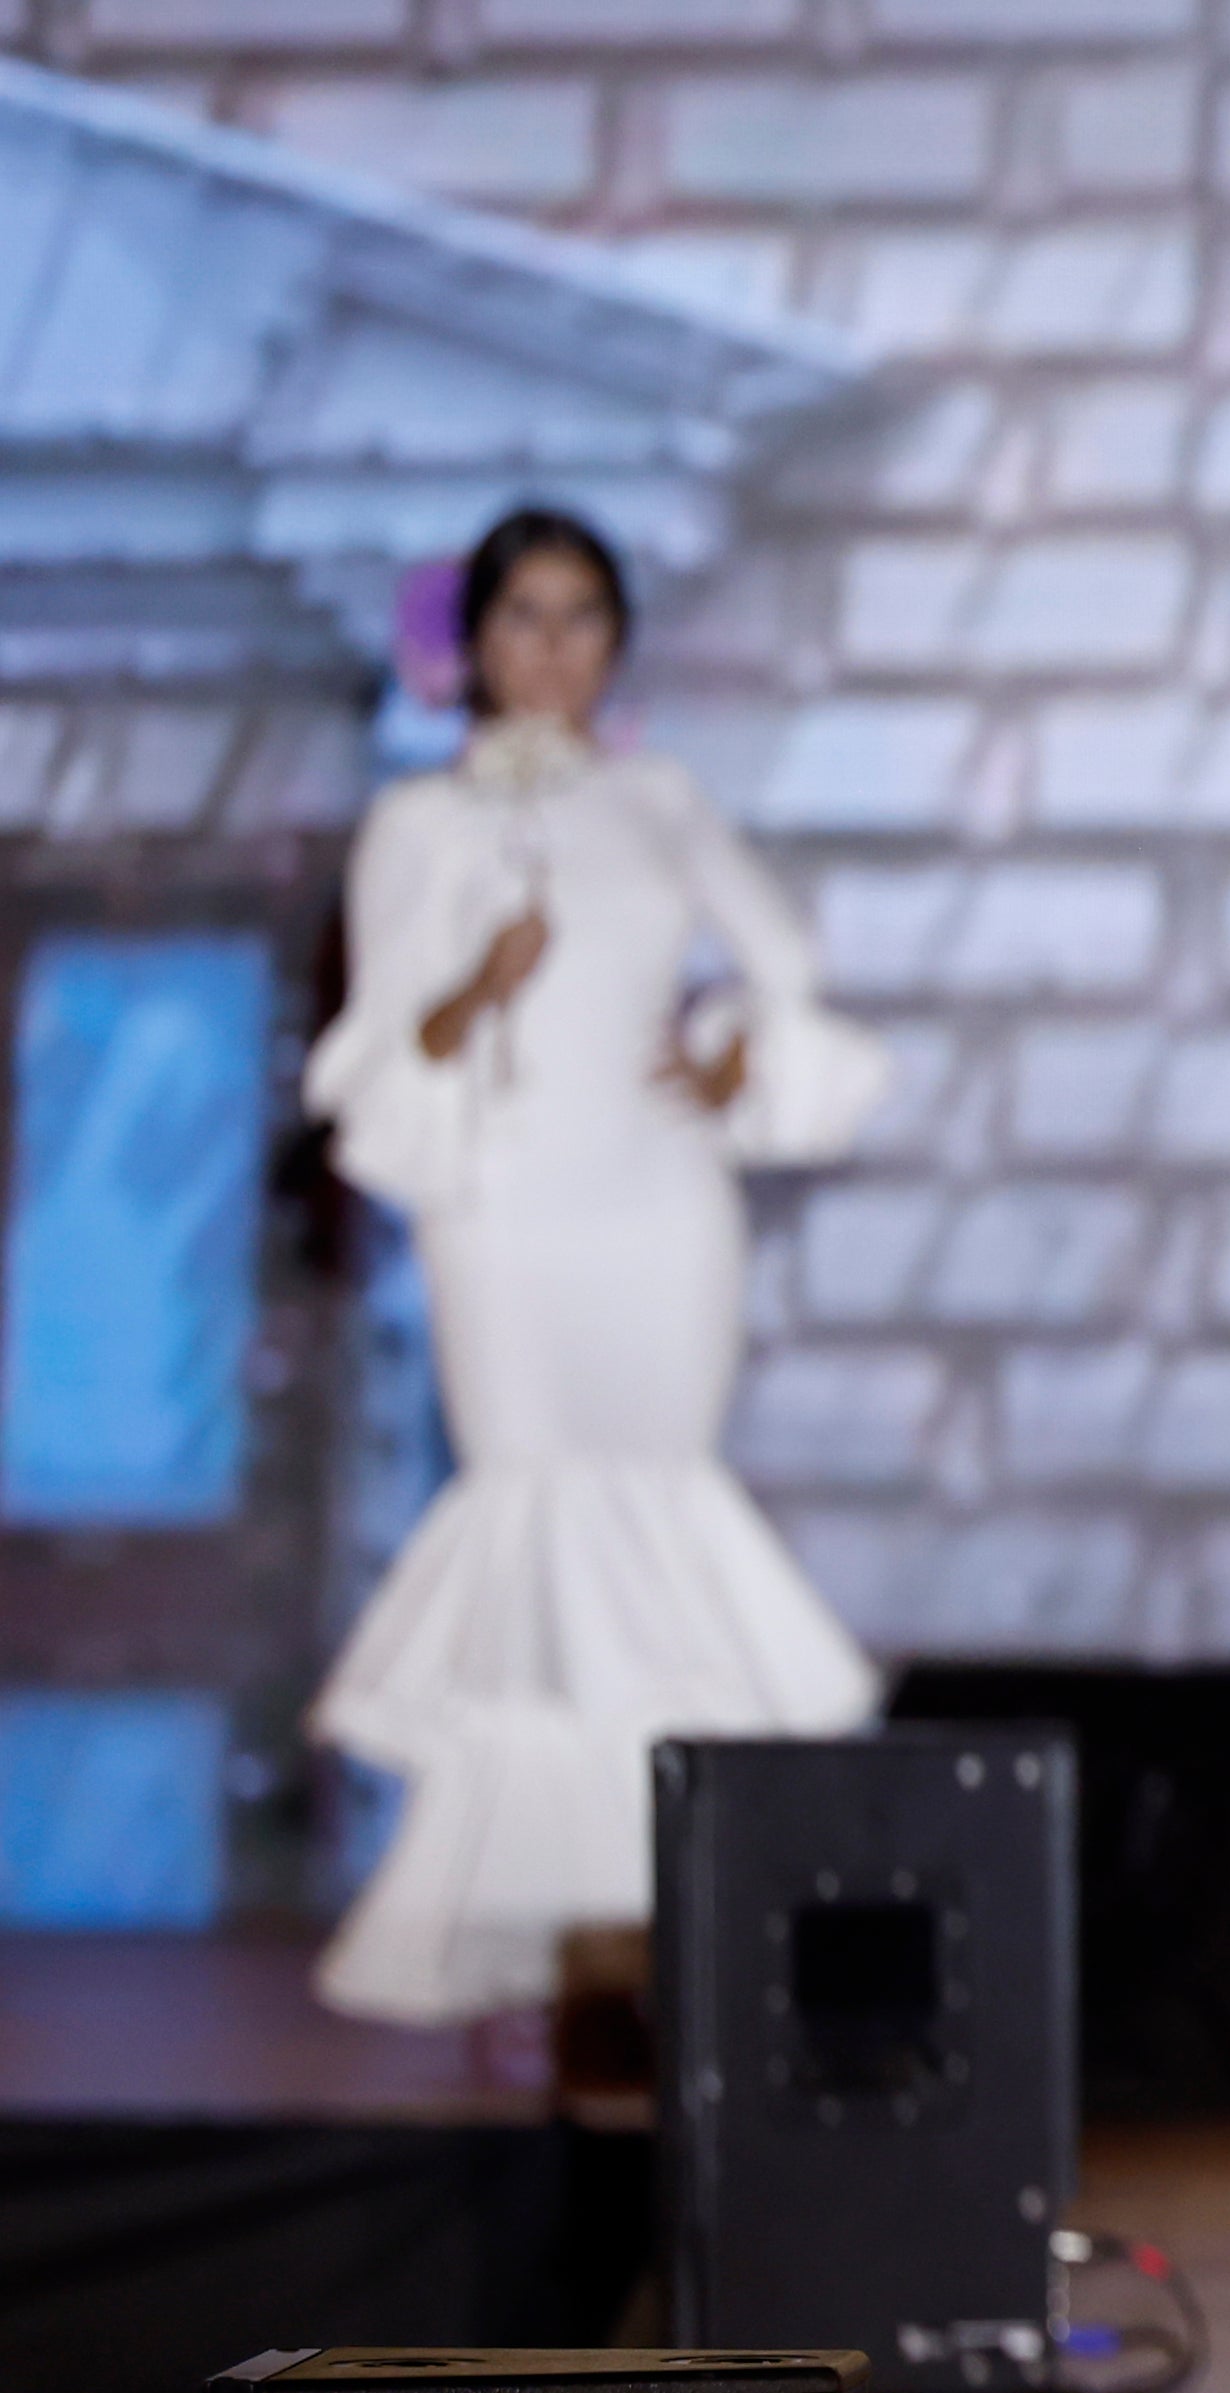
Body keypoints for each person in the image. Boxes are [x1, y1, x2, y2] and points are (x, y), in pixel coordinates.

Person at [301, 506, 890, 2031]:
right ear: (473, 643)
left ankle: (658, 1915)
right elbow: (374, 1053)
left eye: (579, 617)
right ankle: (553, 1925)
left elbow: (787, 969)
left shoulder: (662, 800)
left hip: (650, 1195)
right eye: (522, 618)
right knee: (536, 1492)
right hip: (501, 1197)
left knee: (656, 1502)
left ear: (615, 639)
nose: (551, 648)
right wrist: (473, 988)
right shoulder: (415, 826)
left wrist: (727, 1055)